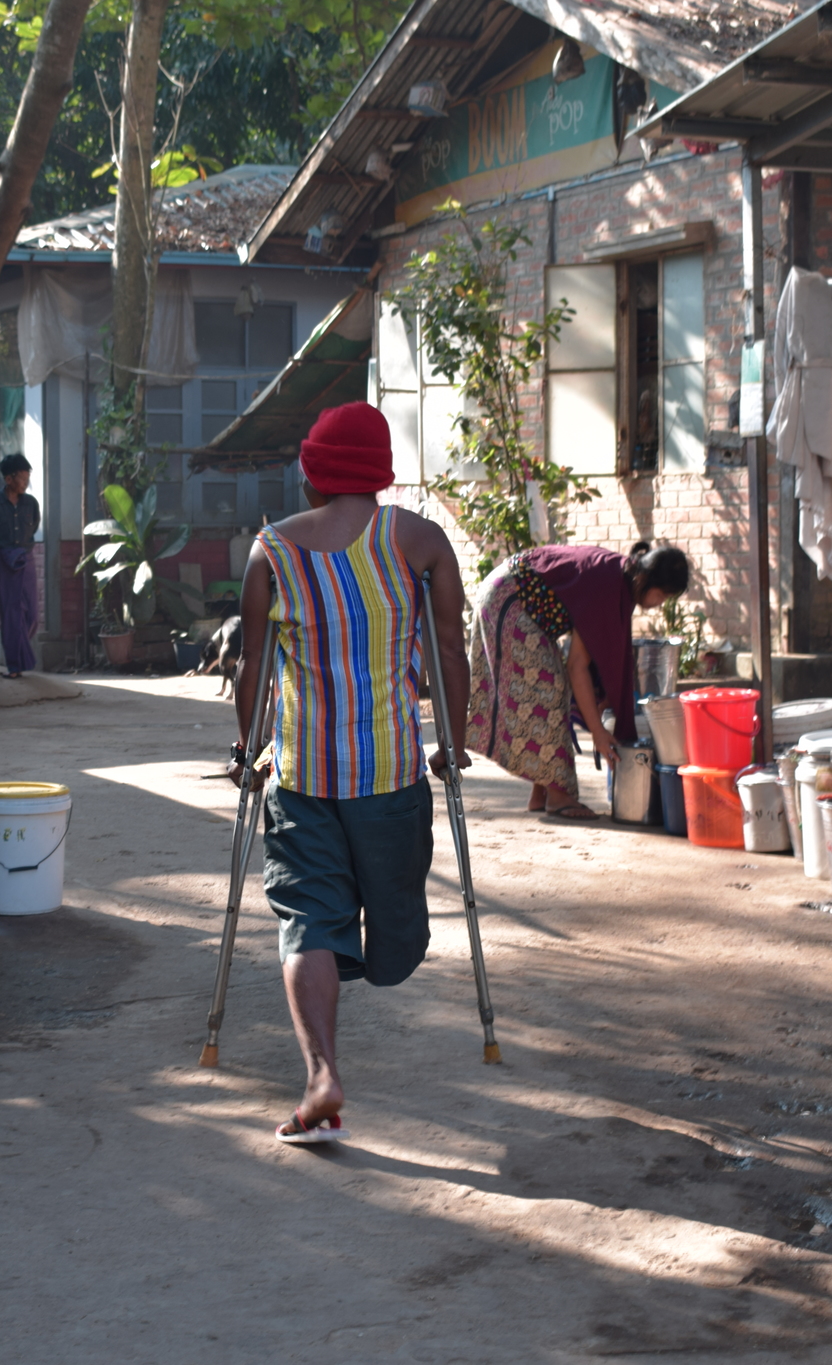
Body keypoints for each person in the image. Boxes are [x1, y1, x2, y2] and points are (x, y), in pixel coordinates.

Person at [229, 402, 470, 1145]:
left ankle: (321, 1070)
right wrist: (453, 742)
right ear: (381, 470)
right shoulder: (420, 541)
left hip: (303, 775)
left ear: (312, 471)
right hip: (392, 772)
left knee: (308, 921)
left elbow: (251, 667)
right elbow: (450, 652)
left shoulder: (271, 551)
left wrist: (248, 749)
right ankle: (351, 995)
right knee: (393, 933)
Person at [464, 541, 689, 820]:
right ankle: (559, 797)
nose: (660, 605)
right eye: (663, 596)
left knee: (553, 685)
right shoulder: (608, 585)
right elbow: (578, 665)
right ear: (647, 581)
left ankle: (542, 792)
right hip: (508, 599)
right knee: (550, 688)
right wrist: (598, 731)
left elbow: (594, 655)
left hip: (509, 594)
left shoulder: (618, 579)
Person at [0, 454, 41, 678]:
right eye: (22, 478)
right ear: (8, 479)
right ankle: (15, 666)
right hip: (1, 560)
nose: (25, 482)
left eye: (27, 478)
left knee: (31, 614)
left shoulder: (31, 504)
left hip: (25, 558)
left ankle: (19, 654)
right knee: (11, 614)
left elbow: (32, 528)